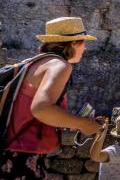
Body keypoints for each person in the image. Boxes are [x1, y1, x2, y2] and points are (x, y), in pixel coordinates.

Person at [1, 17, 101, 179]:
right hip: (23, 156)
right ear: (73, 43)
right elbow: (41, 108)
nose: (85, 48)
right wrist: (83, 123)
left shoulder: (34, 63)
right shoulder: (59, 65)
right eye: (83, 42)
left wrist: (69, 121)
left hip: (10, 153)